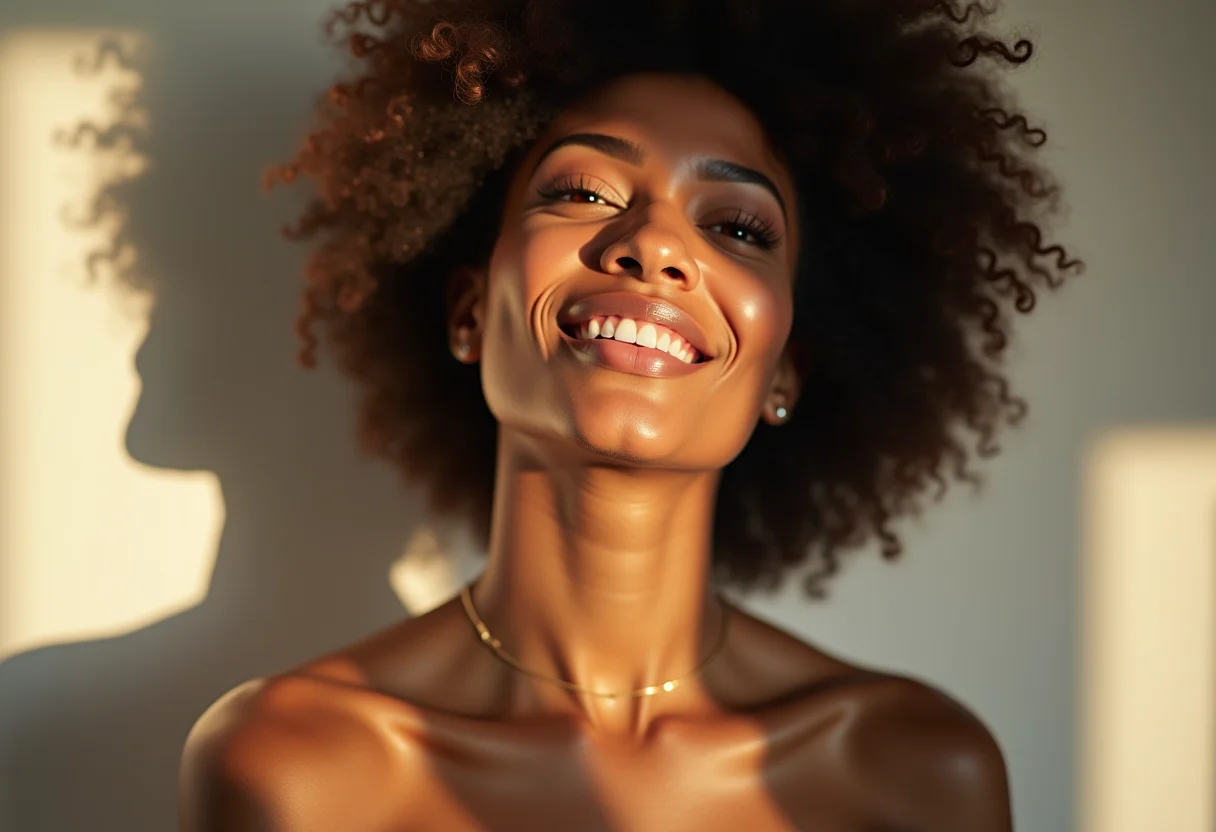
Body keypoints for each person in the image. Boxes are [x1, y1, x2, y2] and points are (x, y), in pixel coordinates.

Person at [179, 0, 1080, 828]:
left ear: (787, 376)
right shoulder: (292, 769)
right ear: (466, 312)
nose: (652, 245)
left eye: (737, 228)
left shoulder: (914, 774)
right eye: (583, 193)